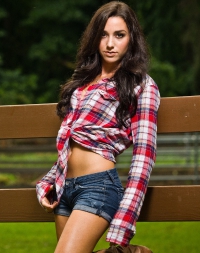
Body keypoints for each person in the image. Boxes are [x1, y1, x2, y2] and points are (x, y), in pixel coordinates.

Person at [36, 1, 160, 253]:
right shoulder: (81, 83)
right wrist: (47, 182)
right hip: (65, 190)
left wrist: (125, 220)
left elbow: (143, 157)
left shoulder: (142, 85)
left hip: (98, 187)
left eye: (119, 35)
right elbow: (73, 141)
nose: (110, 43)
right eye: (103, 35)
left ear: (131, 39)